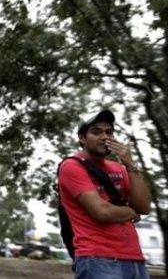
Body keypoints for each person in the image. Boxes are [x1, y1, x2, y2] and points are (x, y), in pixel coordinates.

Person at [58, 109, 151, 278]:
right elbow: (102, 212)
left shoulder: (120, 169)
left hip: (135, 258)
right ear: (82, 138)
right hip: (98, 259)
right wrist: (131, 211)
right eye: (96, 132)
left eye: (109, 132)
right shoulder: (72, 166)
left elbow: (144, 207)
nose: (104, 137)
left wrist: (130, 165)